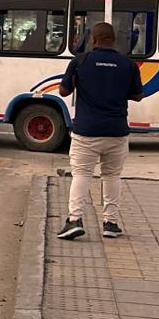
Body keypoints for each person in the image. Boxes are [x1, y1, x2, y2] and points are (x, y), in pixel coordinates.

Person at [57, 21, 144, 241]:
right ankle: (110, 223)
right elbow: (137, 95)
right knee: (112, 176)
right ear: (113, 40)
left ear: (93, 39)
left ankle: (74, 220)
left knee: (81, 174)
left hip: (86, 131)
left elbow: (64, 91)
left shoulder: (80, 61)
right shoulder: (128, 64)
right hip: (117, 131)